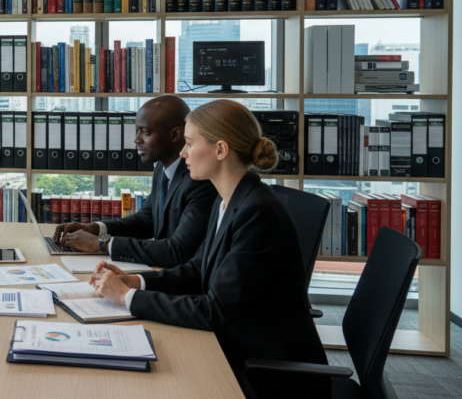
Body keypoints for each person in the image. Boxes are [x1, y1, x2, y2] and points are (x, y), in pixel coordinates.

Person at [89, 100, 328, 398]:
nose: (182, 152)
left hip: (270, 370)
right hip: (235, 343)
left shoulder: (258, 213)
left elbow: (214, 311)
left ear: (220, 150)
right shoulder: (227, 199)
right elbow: (196, 269)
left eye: (189, 143)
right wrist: (134, 281)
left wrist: (127, 297)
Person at [53, 95, 216, 269]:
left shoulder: (199, 179)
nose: (137, 140)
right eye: (137, 131)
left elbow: (179, 251)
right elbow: (146, 221)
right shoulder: (162, 169)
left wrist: (102, 244)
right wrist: (96, 228)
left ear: (175, 135)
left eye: (145, 132)